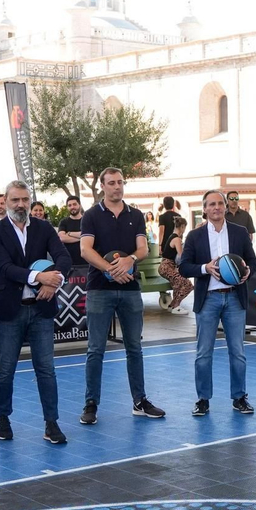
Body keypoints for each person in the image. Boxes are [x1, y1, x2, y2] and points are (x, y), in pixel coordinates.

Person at [0, 180, 72, 444]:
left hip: (41, 309)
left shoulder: (44, 227)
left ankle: (52, 423)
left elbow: (64, 258)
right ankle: (2, 417)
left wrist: (53, 283)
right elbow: (5, 268)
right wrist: (39, 279)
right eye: (15, 200)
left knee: (46, 369)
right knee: (5, 368)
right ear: (6, 201)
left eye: (25, 199)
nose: (21, 204)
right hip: (9, 311)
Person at [79, 167, 165, 425]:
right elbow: (85, 250)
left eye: (120, 182)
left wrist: (129, 259)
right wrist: (112, 270)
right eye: (112, 183)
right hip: (99, 290)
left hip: (130, 290)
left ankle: (140, 401)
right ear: (103, 186)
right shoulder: (92, 215)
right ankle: (91, 403)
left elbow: (142, 249)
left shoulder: (136, 215)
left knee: (134, 348)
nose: (117, 186)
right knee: (96, 349)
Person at [179, 189, 256, 416]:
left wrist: (249, 270)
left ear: (225, 207)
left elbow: (252, 260)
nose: (216, 207)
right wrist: (205, 268)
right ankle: (203, 399)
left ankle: (239, 397)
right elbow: (184, 267)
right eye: (211, 204)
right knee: (204, 353)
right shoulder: (195, 236)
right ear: (204, 209)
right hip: (208, 299)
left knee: (238, 352)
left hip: (234, 296)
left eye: (220, 204)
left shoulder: (240, 232)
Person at [157, 214, 193, 314]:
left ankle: (173, 306)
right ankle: (175, 306)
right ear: (182, 227)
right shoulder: (177, 239)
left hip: (165, 266)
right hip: (167, 266)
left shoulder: (171, 237)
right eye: (184, 228)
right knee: (188, 284)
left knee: (178, 283)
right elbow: (181, 256)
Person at [56, 196, 86, 268]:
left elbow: (92, 235)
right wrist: (83, 237)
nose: (72, 207)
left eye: (74, 204)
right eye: (69, 205)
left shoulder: (86, 220)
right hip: (70, 263)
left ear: (80, 205)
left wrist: (70, 233)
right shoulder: (64, 222)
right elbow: (62, 238)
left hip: (86, 262)